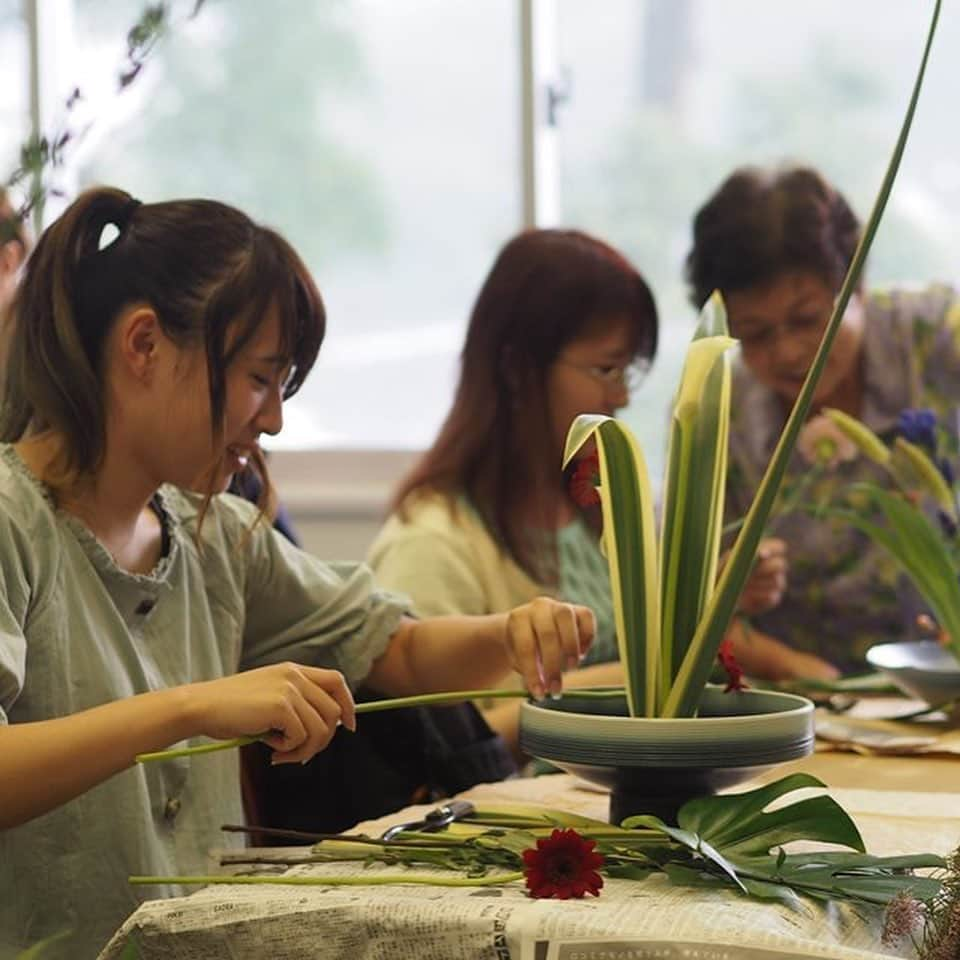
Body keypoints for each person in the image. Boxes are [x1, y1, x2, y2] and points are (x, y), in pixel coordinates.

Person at [0, 188, 594, 957]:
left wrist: (514, 633)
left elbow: (398, 649)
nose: (274, 417)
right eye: (258, 378)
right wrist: (189, 708)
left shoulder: (215, 535)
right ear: (143, 345)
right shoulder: (15, 521)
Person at [368, 228, 791, 757]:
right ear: (517, 367)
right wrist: (632, 687)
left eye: (629, 370)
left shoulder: (604, 508)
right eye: (605, 369)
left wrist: (718, 601)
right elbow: (440, 747)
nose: (620, 396)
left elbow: (662, 652)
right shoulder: (432, 541)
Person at [686, 163, 960, 675]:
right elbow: (691, 614)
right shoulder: (715, 413)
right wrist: (733, 590)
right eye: (756, 334)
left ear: (856, 287)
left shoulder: (934, 336)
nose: (790, 352)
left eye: (809, 319)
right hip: (805, 697)